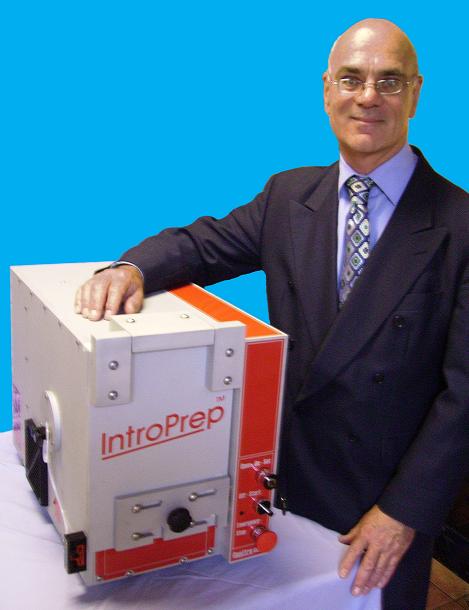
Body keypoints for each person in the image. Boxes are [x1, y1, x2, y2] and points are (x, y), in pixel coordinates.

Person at [75, 18, 469, 610]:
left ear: (415, 93)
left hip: (383, 506)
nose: (368, 96)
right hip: (287, 480)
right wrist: (131, 269)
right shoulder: (289, 195)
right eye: (351, 79)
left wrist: (403, 512)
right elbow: (204, 244)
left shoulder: (460, 224)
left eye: (389, 81)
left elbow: (464, 396)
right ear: (327, 90)